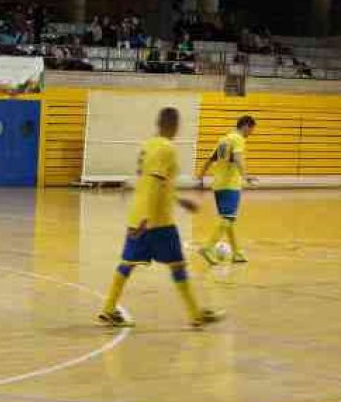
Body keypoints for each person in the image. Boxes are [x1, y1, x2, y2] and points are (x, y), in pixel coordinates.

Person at [98, 107, 225, 328]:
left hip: (138, 216)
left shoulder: (148, 145)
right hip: (158, 221)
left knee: (127, 263)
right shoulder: (167, 148)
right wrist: (147, 218)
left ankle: (108, 309)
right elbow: (154, 183)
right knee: (177, 266)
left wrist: (178, 201)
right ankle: (195, 315)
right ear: (174, 125)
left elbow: (153, 182)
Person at [198, 115, 257, 264]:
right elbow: (237, 158)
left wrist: (201, 174)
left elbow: (211, 159)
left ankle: (237, 253)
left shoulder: (224, 139)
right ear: (245, 126)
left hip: (218, 185)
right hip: (230, 184)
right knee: (228, 218)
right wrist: (246, 176)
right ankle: (208, 247)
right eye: (251, 129)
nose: (251, 133)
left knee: (228, 219)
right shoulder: (238, 139)